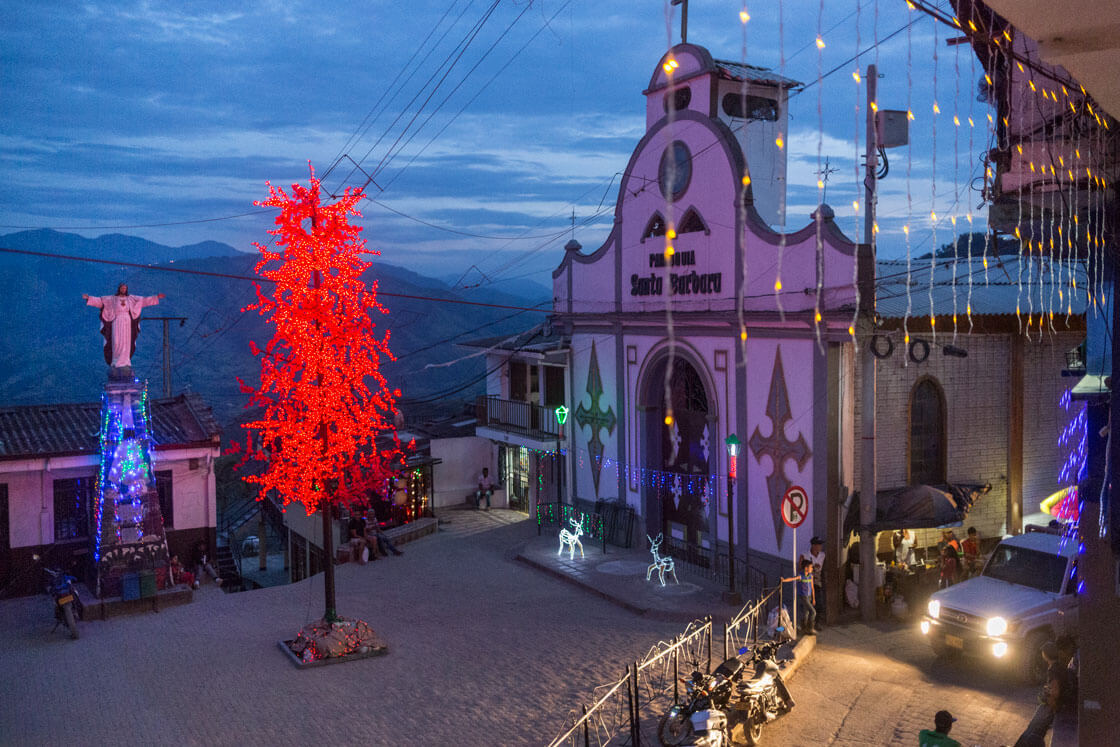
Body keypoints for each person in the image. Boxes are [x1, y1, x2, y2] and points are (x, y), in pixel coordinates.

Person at [83, 284, 165, 369]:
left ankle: (125, 361)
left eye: (125, 288)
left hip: (127, 322)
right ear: (119, 289)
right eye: (122, 288)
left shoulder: (131, 299)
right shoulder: (112, 299)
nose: (123, 289)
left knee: (126, 341)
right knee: (116, 340)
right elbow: (100, 301)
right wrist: (89, 298)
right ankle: (116, 360)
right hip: (116, 320)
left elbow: (143, 301)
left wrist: (156, 297)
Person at [1014, 641, 1069, 746]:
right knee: (1039, 731)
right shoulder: (1061, 667)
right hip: (1052, 706)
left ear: (1045, 654)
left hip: (1048, 707)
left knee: (1032, 729)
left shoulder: (1053, 669)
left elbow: (1055, 691)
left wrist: (1052, 705)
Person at [781, 558, 817, 635]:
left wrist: (813, 599)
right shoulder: (801, 576)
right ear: (806, 568)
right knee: (813, 612)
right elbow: (792, 579)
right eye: (810, 567)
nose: (812, 569)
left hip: (809, 596)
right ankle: (810, 628)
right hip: (804, 597)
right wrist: (784, 580)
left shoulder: (811, 576)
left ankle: (804, 628)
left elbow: (812, 588)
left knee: (806, 612)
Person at [808, 536, 826, 626]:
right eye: (819, 545)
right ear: (813, 546)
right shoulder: (807, 556)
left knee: (819, 602)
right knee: (810, 603)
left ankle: (817, 622)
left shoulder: (822, 555)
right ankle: (809, 623)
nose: (820, 547)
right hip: (808, 582)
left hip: (817, 582)